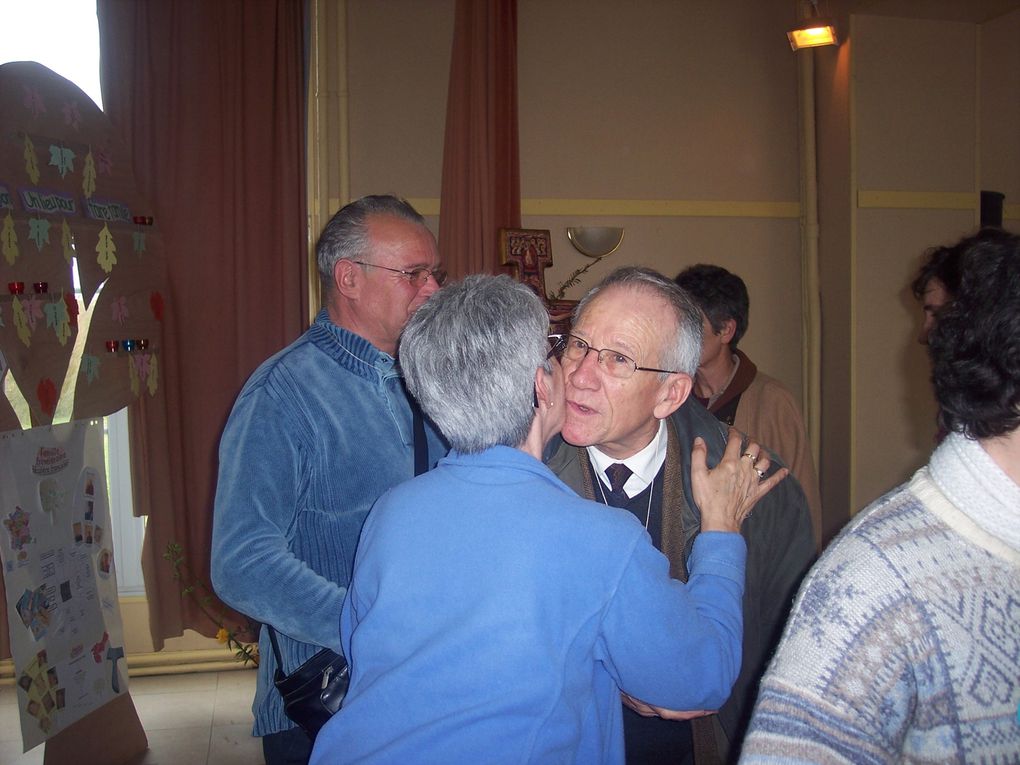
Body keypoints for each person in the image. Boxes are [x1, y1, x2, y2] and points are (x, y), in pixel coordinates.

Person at [310, 274, 783, 765]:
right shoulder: (597, 537)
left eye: (617, 358)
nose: (577, 373)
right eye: (568, 348)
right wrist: (722, 533)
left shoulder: (392, 510)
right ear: (541, 383)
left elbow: (366, 648)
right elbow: (700, 679)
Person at [740, 231, 1020, 762]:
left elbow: (795, 491)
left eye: (938, 314)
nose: (924, 334)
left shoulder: (769, 398)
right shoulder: (871, 586)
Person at [210, 195, 448, 765]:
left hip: (424, 689)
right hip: (324, 705)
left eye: (435, 273)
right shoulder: (282, 395)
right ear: (349, 278)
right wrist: (368, 626)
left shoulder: (433, 383)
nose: (433, 290)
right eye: (414, 274)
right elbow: (241, 561)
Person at [545, 266, 815, 765]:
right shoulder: (521, 475)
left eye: (618, 359)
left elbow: (792, 657)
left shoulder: (765, 493)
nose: (579, 376)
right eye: (578, 345)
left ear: (671, 393)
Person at [675, 264, 822, 551]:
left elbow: (800, 500)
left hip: (753, 560)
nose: (678, 334)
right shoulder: (672, 396)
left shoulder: (772, 400)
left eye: (690, 324)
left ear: (726, 330)